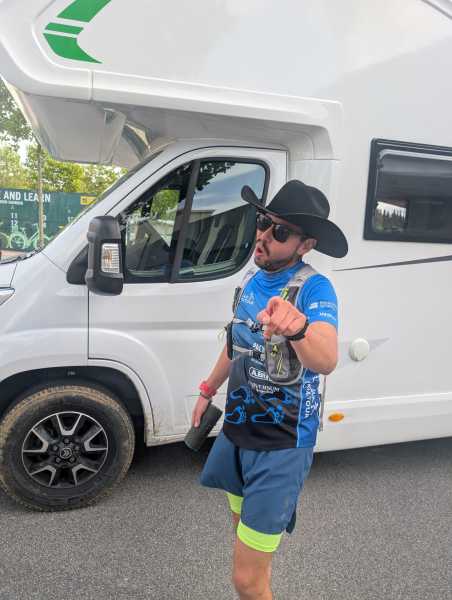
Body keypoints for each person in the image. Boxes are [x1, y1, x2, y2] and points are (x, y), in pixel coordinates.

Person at [191, 180, 348, 600]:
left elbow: (326, 358)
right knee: (247, 548)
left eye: (279, 231)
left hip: (281, 444)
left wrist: (297, 327)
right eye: (263, 221)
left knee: (245, 580)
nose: (263, 235)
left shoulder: (315, 288)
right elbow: (235, 343)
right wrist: (207, 389)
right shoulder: (251, 278)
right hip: (237, 433)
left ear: (305, 245)